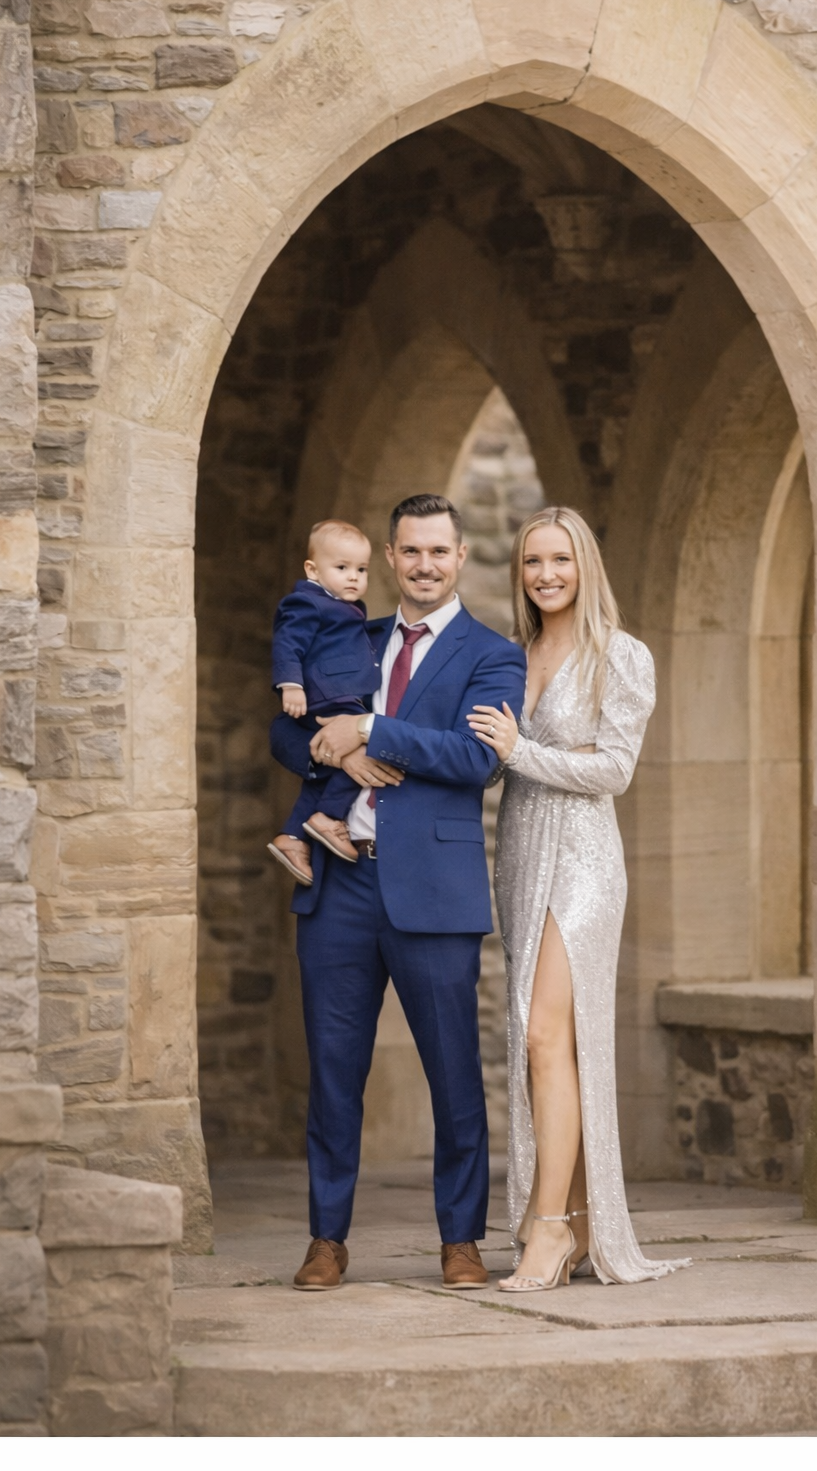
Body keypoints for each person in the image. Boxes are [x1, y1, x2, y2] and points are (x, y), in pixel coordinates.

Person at [270, 493, 527, 1293]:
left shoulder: (494, 656)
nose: (424, 565)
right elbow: (285, 728)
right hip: (340, 880)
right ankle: (326, 1239)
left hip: (435, 890)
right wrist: (338, 757)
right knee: (334, 1070)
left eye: (438, 552)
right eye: (410, 552)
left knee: (454, 1072)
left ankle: (461, 1240)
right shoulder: (353, 631)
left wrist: (374, 732)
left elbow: (473, 758)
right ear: (390, 558)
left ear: (459, 558)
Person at [468, 506, 689, 1290]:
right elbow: (493, 764)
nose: (546, 574)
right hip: (521, 851)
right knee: (542, 1044)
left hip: (586, 859)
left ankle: (550, 1228)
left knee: (542, 1036)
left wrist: (521, 750)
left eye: (559, 559)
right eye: (533, 561)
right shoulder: (513, 655)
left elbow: (613, 771)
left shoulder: (620, 657)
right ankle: (579, 1219)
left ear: (584, 564)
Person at [267, 520, 381, 885]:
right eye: (342, 568)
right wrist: (291, 685)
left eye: (361, 570)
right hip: (326, 695)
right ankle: (329, 817)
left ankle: (292, 836)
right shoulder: (307, 602)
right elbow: (288, 643)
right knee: (367, 751)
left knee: (330, 769)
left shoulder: (344, 606)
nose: (354, 577)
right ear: (312, 570)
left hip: (337, 692)